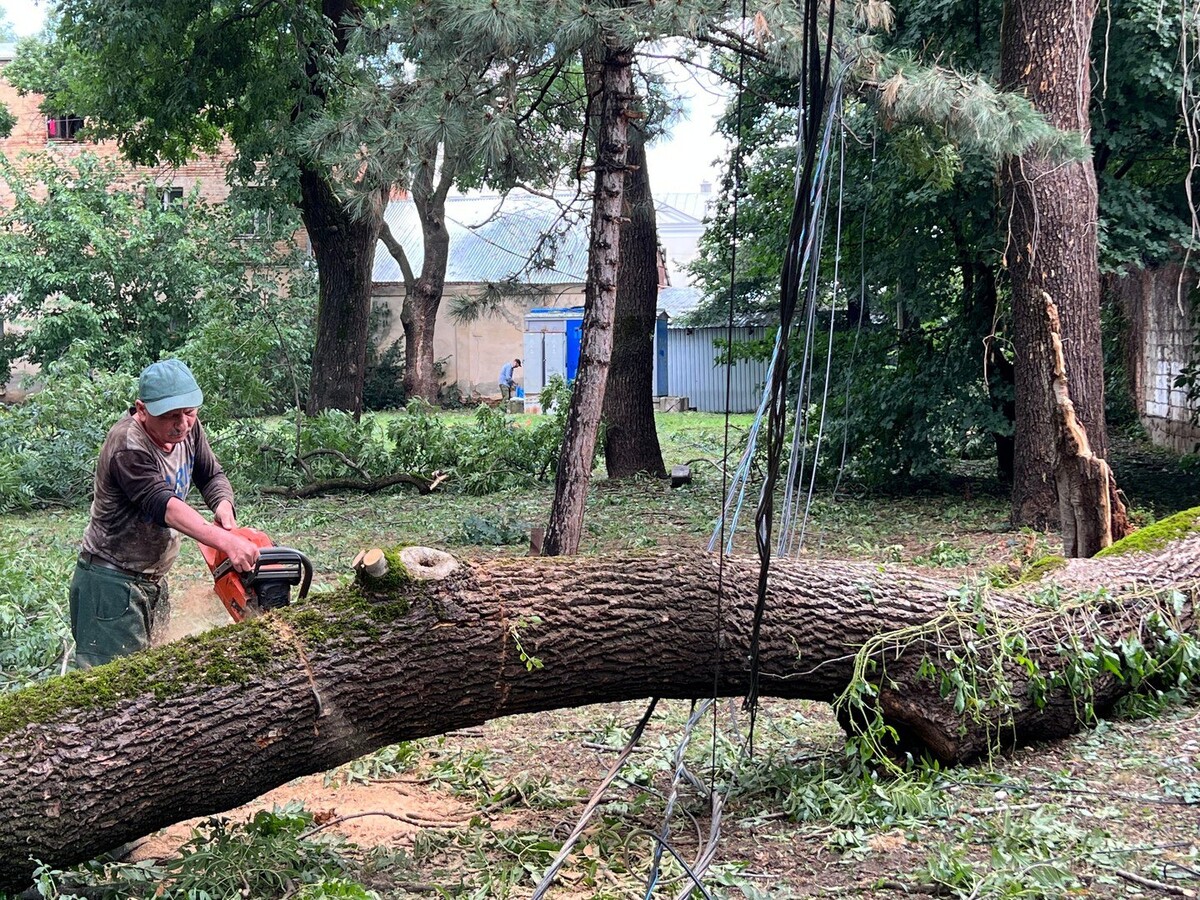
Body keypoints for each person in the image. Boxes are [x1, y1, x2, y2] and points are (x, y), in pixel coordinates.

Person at [70, 358, 261, 668]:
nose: (182, 424)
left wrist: (223, 507)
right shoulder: (127, 445)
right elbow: (164, 506)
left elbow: (211, 475)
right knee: (113, 685)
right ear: (142, 410)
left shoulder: (189, 428)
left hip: (152, 578)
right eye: (171, 416)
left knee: (151, 671)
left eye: (189, 413)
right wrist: (226, 543)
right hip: (111, 582)